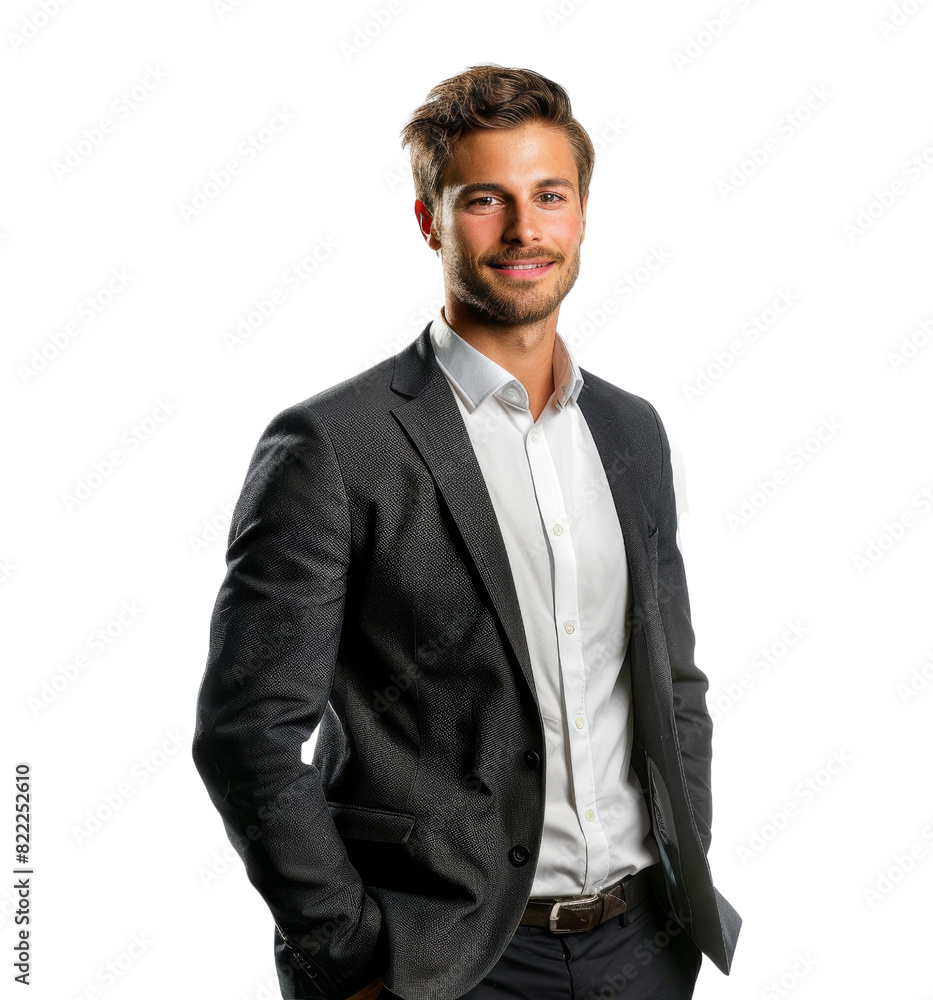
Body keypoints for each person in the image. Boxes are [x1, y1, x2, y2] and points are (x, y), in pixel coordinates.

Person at [192, 63, 741, 1000]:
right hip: (438, 967)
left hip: (645, 948)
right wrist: (353, 952)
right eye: (486, 199)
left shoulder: (631, 432)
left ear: (580, 215)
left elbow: (669, 679)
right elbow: (245, 734)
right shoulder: (334, 446)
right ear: (429, 221)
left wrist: (682, 867)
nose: (525, 231)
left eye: (550, 196)